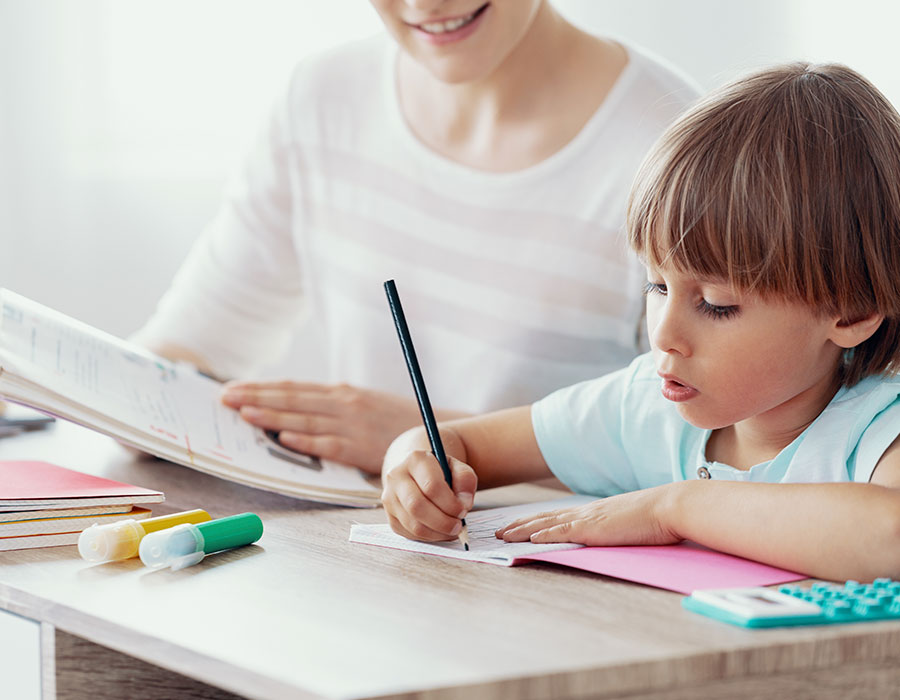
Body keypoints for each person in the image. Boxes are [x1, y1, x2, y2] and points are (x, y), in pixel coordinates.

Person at [380, 62, 900, 582]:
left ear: (852, 311)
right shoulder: (644, 407)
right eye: (657, 286)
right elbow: (457, 443)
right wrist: (413, 469)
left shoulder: (878, 431)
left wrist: (675, 508)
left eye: (716, 304)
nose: (663, 335)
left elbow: (890, 538)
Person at [132, 0, 699, 474]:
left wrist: (431, 437)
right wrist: (124, 402)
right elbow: (192, 342)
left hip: (555, 581)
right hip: (361, 556)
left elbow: (704, 460)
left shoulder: (677, 153)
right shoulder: (321, 100)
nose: (425, 4)